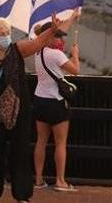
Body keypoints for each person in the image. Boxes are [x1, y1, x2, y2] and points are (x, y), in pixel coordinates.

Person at [0, 15, 60, 203]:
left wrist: (51, 30)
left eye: (8, 33)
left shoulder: (17, 50)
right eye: (2, 34)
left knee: (20, 152)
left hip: (19, 111)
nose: (6, 37)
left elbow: (37, 43)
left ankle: (22, 194)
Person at [31, 21, 80, 192]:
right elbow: (75, 70)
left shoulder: (37, 51)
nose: (60, 39)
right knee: (60, 143)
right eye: (57, 36)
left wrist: (72, 16)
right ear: (49, 36)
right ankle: (60, 180)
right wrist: (75, 54)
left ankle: (38, 179)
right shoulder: (56, 55)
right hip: (56, 102)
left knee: (41, 141)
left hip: (39, 100)